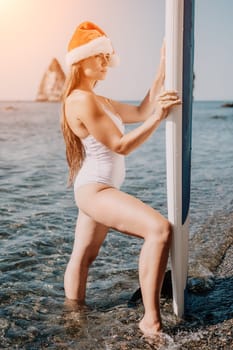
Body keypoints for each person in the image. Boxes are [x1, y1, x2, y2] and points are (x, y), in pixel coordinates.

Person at [61, 21, 181, 336]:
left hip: (97, 188)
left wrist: (162, 70)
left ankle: (74, 318)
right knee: (159, 230)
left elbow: (141, 111)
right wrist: (159, 117)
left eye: (107, 56)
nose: (106, 63)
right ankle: (151, 320)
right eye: (99, 56)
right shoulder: (80, 100)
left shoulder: (100, 100)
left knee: (84, 256)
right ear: (81, 60)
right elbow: (121, 145)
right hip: (95, 189)